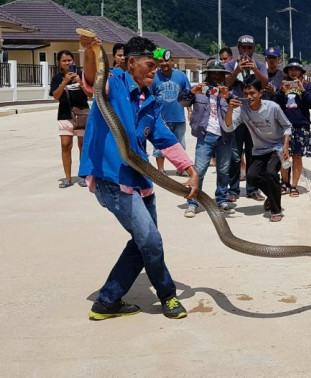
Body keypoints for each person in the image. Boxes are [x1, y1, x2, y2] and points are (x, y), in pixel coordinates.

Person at [80, 35, 199, 320]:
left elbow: (165, 138)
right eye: (150, 65)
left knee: (143, 241)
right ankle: (167, 295)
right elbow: (91, 77)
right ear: (132, 63)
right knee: (151, 241)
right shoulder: (113, 83)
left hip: (141, 179)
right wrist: (89, 50)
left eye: (157, 66)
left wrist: (190, 171)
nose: (154, 71)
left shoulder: (150, 100)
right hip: (113, 179)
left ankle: (107, 301)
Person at [224, 80, 292, 222]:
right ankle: (272, 195)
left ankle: (276, 209)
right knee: (252, 177)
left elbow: (287, 126)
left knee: (271, 173)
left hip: (277, 148)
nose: (249, 96)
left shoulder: (272, 107)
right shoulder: (241, 109)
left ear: (260, 93)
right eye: (246, 93)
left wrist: (285, 145)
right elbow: (228, 127)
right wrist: (230, 109)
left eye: (253, 93)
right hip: (259, 150)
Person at [178, 59, 236, 217]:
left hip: (225, 135)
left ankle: (221, 200)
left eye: (220, 74)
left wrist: (228, 97)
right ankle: (193, 202)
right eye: (213, 73)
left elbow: (239, 109)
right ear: (208, 75)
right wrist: (192, 91)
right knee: (199, 170)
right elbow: (182, 102)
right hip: (205, 135)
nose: (217, 76)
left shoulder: (228, 91)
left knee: (223, 170)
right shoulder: (199, 91)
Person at [225, 35, 268, 203]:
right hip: (236, 112)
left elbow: (264, 84)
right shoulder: (230, 65)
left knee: (253, 153)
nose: (246, 51)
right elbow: (227, 84)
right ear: (238, 48)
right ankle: (233, 189)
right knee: (235, 155)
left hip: (254, 113)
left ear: (254, 49)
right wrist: (237, 69)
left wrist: (255, 70)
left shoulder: (259, 65)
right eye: (243, 48)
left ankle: (252, 189)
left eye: (250, 48)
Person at [275, 58, 311, 197]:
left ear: (300, 72)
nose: (293, 72)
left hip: (301, 125)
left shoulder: (308, 85)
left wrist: (303, 90)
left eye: (296, 69)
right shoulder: (282, 85)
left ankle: (294, 185)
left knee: (297, 157)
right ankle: (284, 183)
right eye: (291, 69)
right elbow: (276, 105)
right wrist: (281, 92)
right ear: (287, 71)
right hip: (284, 126)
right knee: (284, 156)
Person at [50, 50, 92, 188]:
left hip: (82, 114)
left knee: (83, 146)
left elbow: (89, 94)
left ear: (74, 61)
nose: (67, 63)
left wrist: (80, 82)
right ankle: (68, 178)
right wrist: (65, 82)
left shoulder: (83, 76)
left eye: (69, 60)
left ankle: (83, 175)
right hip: (65, 115)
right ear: (59, 63)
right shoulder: (57, 78)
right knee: (65, 145)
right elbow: (56, 96)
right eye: (64, 61)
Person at [152, 52, 191, 176]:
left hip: (179, 117)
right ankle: (160, 170)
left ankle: (181, 169)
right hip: (160, 119)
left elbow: (189, 94)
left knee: (179, 144)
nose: (164, 64)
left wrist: (190, 111)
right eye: (161, 61)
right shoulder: (154, 77)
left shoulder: (181, 76)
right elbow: (150, 96)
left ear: (172, 61)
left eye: (166, 61)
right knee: (159, 144)